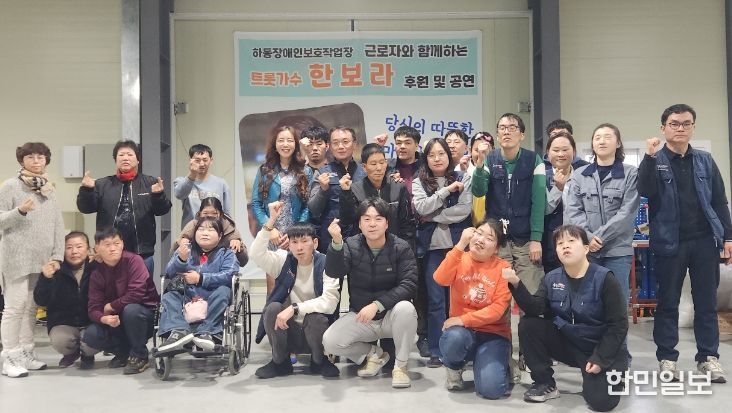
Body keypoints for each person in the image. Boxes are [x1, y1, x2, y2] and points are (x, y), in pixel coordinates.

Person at [639, 103, 732, 383]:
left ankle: (708, 358)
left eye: (686, 123)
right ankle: (667, 359)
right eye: (674, 123)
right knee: (668, 302)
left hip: (704, 241)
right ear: (663, 128)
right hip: (670, 242)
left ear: (693, 127)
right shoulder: (655, 160)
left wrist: (728, 236)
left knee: (706, 303)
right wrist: (648, 157)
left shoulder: (705, 160)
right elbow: (644, 190)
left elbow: (719, 201)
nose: (680, 128)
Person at [504, 224, 628, 411]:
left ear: (586, 248)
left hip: (598, 348)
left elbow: (618, 325)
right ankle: (545, 383)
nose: (565, 246)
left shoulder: (604, 279)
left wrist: (601, 358)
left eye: (571, 241)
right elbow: (535, 309)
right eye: (560, 243)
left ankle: (612, 376)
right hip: (569, 344)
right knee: (529, 324)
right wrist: (516, 283)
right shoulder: (551, 279)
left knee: (602, 402)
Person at [322, 198, 418, 388]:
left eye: (378, 219)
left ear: (387, 223)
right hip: (363, 317)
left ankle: (401, 367)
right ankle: (374, 354)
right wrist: (337, 243)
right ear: (359, 224)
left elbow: (409, 284)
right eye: (366, 219)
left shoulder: (401, 247)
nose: (372, 224)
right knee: (330, 341)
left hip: (391, 316)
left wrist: (377, 305)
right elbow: (334, 272)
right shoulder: (350, 245)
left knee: (406, 309)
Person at [251, 201, 341, 378]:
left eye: (304, 241)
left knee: (316, 317)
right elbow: (256, 254)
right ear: (289, 244)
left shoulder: (326, 263)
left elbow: (330, 302)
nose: (299, 247)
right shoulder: (283, 260)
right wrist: (271, 221)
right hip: (287, 330)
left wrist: (295, 308)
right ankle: (280, 362)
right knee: (273, 309)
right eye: (294, 242)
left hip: (316, 333)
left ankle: (319, 362)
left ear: (315, 243)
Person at [0, 142, 65, 378]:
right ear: (22, 161)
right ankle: (9, 357)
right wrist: (19, 211)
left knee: (31, 308)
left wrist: (57, 255)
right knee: (14, 308)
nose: (36, 161)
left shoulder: (48, 188)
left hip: (41, 259)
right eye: (31, 157)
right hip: (16, 258)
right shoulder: (10, 186)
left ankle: (26, 353)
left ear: (46, 161)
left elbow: (57, 224)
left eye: (40, 157)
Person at [564, 123, 638, 323]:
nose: (602, 141)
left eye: (607, 137)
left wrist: (600, 237)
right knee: (587, 303)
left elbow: (627, 212)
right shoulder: (580, 175)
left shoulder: (630, 173)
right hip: (588, 251)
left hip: (617, 251)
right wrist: (588, 238)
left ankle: (618, 345)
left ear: (618, 143)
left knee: (617, 305)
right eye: (597, 138)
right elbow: (573, 211)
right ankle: (589, 343)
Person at [434, 219, 512, 399]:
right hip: (463, 333)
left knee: (491, 390)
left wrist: (462, 319)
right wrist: (460, 245)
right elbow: (440, 278)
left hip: (493, 334)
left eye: (489, 238)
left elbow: (497, 310)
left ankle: (496, 361)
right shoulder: (459, 256)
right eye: (478, 233)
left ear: (497, 248)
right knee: (454, 338)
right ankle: (454, 367)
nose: (481, 240)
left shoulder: (503, 268)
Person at [413, 137, 472, 367]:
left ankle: (459, 348)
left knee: (459, 300)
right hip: (432, 250)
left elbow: (463, 210)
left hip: (458, 248)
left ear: (449, 155)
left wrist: (433, 216)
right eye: (431, 155)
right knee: (436, 302)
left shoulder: (463, 177)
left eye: (441, 154)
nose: (437, 159)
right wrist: (446, 191)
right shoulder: (419, 182)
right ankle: (437, 349)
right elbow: (421, 207)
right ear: (426, 159)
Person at [472, 113, 546, 295]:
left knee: (530, 293)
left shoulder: (534, 160)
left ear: (522, 135)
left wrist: (536, 239)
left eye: (512, 128)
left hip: (525, 239)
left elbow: (539, 202)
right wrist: (479, 166)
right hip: (497, 239)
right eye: (502, 128)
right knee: (496, 294)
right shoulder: (490, 158)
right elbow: (479, 191)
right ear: (497, 135)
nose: (507, 132)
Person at [77, 140, 172, 276]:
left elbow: (162, 210)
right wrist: (87, 190)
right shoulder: (102, 184)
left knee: (142, 289)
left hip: (142, 253)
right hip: (109, 252)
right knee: (108, 288)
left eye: (130, 154)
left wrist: (158, 195)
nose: (125, 158)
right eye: (121, 155)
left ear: (138, 160)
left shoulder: (150, 183)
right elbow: (86, 208)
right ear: (115, 160)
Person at [81, 227, 160, 375]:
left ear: (122, 244)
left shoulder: (134, 261)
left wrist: (110, 306)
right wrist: (104, 318)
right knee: (91, 335)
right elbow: (93, 308)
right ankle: (123, 352)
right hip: (116, 320)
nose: (113, 248)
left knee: (131, 310)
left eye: (116, 243)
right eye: (107, 244)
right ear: (97, 248)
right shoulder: (97, 272)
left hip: (143, 316)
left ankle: (140, 355)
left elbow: (135, 295)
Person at [156, 216, 239, 354]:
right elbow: (169, 273)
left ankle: (207, 331)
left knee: (224, 291)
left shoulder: (227, 254)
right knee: (170, 295)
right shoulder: (185, 250)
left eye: (210, 230)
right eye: (200, 229)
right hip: (188, 296)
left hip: (213, 296)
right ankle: (179, 331)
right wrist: (181, 260)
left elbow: (229, 274)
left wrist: (201, 278)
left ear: (220, 236)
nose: (205, 233)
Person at [251, 125, 312, 292]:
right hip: (273, 236)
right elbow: (256, 203)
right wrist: (270, 229)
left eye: (290, 140)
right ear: (275, 144)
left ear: (295, 144)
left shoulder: (305, 170)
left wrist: (295, 232)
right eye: (281, 140)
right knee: (273, 288)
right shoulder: (264, 170)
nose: (285, 144)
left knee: (298, 287)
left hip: (296, 237)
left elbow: (307, 205)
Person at [34, 231, 95, 368]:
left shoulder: (96, 268)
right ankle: (71, 353)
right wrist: (46, 278)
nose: (74, 251)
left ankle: (87, 354)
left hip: (90, 322)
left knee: (94, 339)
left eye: (79, 246)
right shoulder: (55, 270)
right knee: (60, 340)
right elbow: (40, 300)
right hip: (64, 323)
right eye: (69, 247)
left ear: (88, 249)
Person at [339, 143, 416, 247]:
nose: (379, 168)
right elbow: (348, 221)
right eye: (373, 164)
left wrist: (406, 248)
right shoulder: (354, 190)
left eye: (381, 162)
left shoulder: (398, 186)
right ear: (364, 167)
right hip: (365, 248)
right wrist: (346, 193)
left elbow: (407, 224)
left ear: (386, 163)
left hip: (395, 247)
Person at [308, 126, 366, 253]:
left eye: (345, 142)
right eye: (335, 143)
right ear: (329, 146)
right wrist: (323, 190)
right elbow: (313, 209)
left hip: (361, 234)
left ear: (354, 144)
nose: (340, 146)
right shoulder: (321, 173)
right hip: (331, 235)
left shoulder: (364, 171)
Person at [543, 130, 588, 272]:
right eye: (556, 150)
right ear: (548, 153)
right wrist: (558, 188)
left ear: (574, 152)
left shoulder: (584, 177)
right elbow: (543, 209)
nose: (561, 154)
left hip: (579, 240)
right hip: (550, 243)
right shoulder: (540, 177)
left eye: (565, 150)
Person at [174, 197, 248, 266]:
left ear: (221, 214)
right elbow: (173, 260)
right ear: (199, 214)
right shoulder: (192, 225)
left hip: (221, 270)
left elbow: (243, 262)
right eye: (205, 213)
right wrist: (182, 242)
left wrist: (239, 247)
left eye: (214, 213)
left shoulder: (229, 228)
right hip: (193, 267)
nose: (209, 216)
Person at [173, 144, 232, 229]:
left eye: (205, 160)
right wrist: (192, 174)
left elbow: (227, 214)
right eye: (197, 160)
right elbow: (179, 194)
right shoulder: (181, 181)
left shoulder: (221, 184)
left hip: (214, 231)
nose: (201, 164)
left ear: (211, 160)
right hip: (190, 232)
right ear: (190, 160)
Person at [467, 131, 495, 226]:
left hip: (490, 223)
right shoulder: (462, 169)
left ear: (494, 151)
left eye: (486, 150)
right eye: (477, 150)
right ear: (470, 150)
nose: (481, 154)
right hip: (467, 223)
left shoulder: (497, 170)